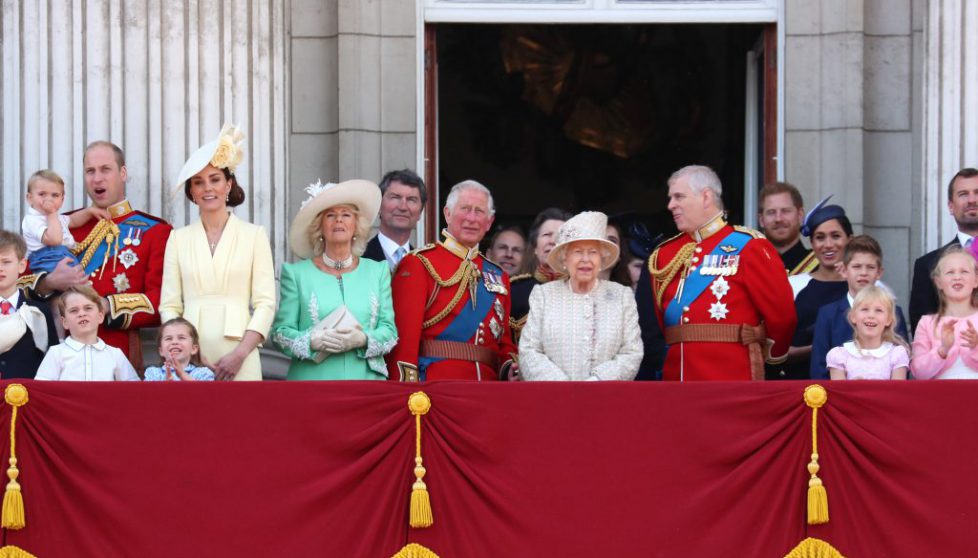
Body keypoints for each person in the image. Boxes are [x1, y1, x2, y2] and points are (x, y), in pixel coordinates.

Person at [20, 141, 173, 369]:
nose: (97, 178)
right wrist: (49, 282)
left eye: (105, 169)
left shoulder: (155, 231)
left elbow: (161, 303)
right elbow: (17, 284)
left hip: (116, 355)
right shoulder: (60, 225)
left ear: (123, 173)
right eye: (90, 171)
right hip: (58, 357)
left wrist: (104, 305)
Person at [649, 165, 795, 381]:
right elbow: (662, 322)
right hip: (676, 377)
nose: (671, 205)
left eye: (679, 197)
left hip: (731, 376)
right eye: (671, 198)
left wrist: (772, 359)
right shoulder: (664, 254)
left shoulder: (749, 246)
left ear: (706, 197)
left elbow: (782, 317)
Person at [160, 124, 276, 381]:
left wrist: (240, 354)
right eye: (199, 182)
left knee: (243, 420)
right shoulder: (177, 238)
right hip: (189, 356)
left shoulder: (254, 234)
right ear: (192, 192)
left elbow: (265, 303)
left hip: (241, 353)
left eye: (215, 179)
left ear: (228, 185)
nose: (207, 188)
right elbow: (169, 305)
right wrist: (182, 350)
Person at [386, 179, 516, 381]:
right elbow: (404, 341)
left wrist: (509, 368)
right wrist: (406, 394)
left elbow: (503, 343)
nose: (471, 218)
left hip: (489, 391)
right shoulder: (419, 263)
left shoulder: (499, 276)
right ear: (447, 214)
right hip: (436, 388)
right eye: (465, 209)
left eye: (479, 211)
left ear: (489, 222)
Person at [271, 179, 397, 380]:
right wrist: (312, 340)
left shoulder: (377, 271)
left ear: (356, 226)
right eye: (330, 215)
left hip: (366, 383)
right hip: (313, 383)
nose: (339, 220)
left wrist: (363, 339)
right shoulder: (296, 274)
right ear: (320, 227)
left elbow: (389, 332)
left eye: (346, 214)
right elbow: (280, 334)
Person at [519, 211, 642, 381]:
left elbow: (632, 352)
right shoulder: (544, 295)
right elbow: (529, 350)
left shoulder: (622, 296)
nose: (586, 259)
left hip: (606, 399)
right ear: (564, 258)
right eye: (577, 252)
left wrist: (597, 381)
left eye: (593, 252)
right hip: (554, 399)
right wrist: (562, 385)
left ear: (602, 259)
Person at [810, 235, 910, 379]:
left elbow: (902, 367)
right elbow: (818, 369)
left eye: (870, 267)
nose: (863, 272)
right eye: (856, 266)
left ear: (879, 272)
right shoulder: (828, 314)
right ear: (844, 270)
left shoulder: (894, 311)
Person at [774, 199, 852, 379]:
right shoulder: (792, 286)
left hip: (854, 390)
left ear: (850, 240)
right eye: (820, 237)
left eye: (835, 236)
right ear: (812, 243)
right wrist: (821, 346)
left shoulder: (869, 289)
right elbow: (776, 351)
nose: (828, 244)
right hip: (798, 387)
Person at [910, 168, 978, 332]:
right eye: (963, 194)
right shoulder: (927, 265)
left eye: (977, 192)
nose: (971, 200)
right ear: (951, 206)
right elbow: (921, 331)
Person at [35, 285, 140, 381]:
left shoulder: (116, 355)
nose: (81, 314)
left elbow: (133, 391)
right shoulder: (56, 353)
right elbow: (42, 391)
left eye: (88, 308)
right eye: (74, 310)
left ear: (100, 316)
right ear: (65, 322)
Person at [21, 170, 108, 273]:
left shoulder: (57, 218)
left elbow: (74, 220)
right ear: (29, 198)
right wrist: (51, 213)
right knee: (74, 281)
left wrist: (89, 211)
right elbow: (54, 241)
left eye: (55, 195)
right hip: (46, 259)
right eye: (42, 194)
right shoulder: (32, 220)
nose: (49, 199)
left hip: (62, 255)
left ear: (62, 200)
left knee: (79, 280)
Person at [911, 247, 978, 379]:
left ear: (976, 280)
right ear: (938, 282)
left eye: (964, 271)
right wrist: (942, 350)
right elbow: (918, 373)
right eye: (950, 272)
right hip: (940, 395)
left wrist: (976, 346)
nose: (957, 277)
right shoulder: (926, 323)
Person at [0, 230, 58, 379]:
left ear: (21, 265)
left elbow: (51, 359)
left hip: (28, 396)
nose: (0, 268)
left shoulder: (40, 311)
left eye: (6, 262)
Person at [509, 207, 572, 342]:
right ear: (535, 248)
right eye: (547, 235)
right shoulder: (514, 291)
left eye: (560, 235)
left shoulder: (584, 291)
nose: (553, 241)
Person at [826, 286, 910, 380]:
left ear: (888, 320)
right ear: (853, 317)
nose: (871, 315)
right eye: (865, 309)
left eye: (878, 310)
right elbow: (839, 392)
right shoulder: (839, 355)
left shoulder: (896, 354)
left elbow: (897, 392)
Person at [362, 169, 426, 271]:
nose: (403, 207)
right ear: (378, 206)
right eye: (395, 197)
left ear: (420, 212)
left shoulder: (426, 266)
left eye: (411, 200)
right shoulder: (358, 260)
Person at [758, 181, 816, 275]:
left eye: (786, 211)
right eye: (771, 212)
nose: (778, 219)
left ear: (800, 215)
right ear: (761, 220)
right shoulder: (750, 267)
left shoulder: (820, 266)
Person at [144, 317, 215, 381]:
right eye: (169, 338)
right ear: (161, 351)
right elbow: (147, 394)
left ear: (193, 349)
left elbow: (204, 394)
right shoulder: (153, 373)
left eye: (181, 338)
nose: (174, 342)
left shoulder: (203, 373)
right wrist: (165, 387)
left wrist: (182, 375)